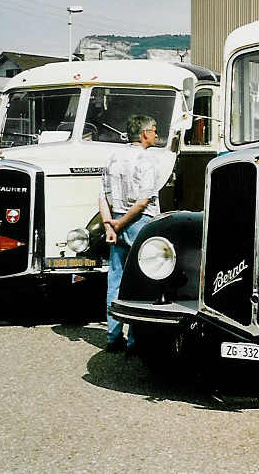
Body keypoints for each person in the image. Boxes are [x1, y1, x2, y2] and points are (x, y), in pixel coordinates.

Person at [98, 114, 161, 353]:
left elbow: (102, 196)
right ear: (145, 133)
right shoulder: (147, 160)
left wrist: (110, 226)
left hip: (115, 219)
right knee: (141, 282)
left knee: (115, 280)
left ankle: (113, 336)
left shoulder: (113, 157)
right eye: (154, 130)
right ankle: (136, 339)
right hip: (139, 223)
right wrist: (121, 223)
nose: (156, 134)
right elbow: (143, 201)